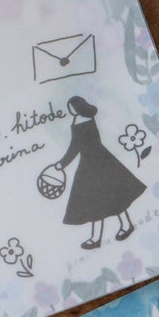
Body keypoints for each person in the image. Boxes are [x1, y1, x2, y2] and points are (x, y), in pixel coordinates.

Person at [54, 96, 146, 250]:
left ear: (77, 108)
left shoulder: (82, 123)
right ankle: (120, 227)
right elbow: (76, 146)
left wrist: (61, 164)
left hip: (94, 163)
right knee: (105, 199)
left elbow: (75, 147)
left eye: (71, 108)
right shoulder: (85, 120)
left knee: (99, 200)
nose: (70, 111)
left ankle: (101, 236)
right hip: (97, 160)